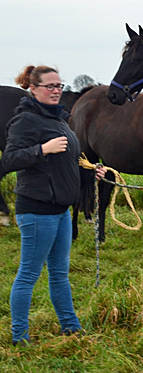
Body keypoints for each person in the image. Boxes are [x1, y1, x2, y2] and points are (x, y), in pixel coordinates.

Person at [3, 65, 106, 346]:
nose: (56, 91)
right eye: (50, 86)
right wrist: (41, 150)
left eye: (59, 86)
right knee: (28, 275)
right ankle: (19, 337)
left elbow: (66, 161)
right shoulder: (25, 120)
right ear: (33, 89)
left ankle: (71, 328)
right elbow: (9, 160)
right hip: (36, 210)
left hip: (61, 210)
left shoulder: (59, 120)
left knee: (60, 274)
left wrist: (89, 172)